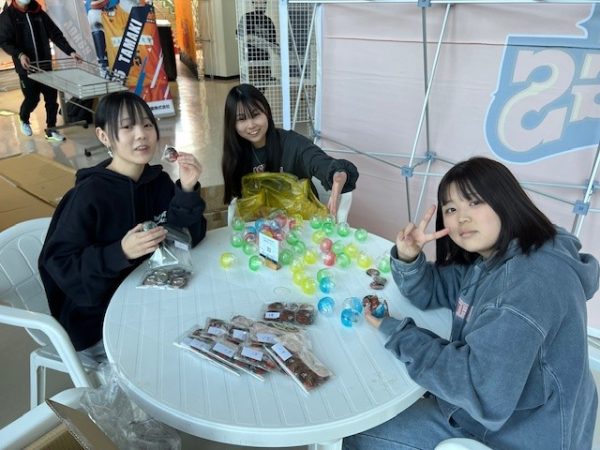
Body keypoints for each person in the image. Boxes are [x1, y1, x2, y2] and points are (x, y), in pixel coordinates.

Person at [343, 157, 599, 450]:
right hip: (528, 414)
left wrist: (399, 334)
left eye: (475, 202)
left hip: (517, 435)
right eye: (451, 209)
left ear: (506, 201)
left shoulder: (527, 284)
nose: (461, 218)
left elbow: (480, 389)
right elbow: (435, 290)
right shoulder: (499, 258)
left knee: (354, 435)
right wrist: (408, 258)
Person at [38, 91, 207, 363]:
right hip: (99, 322)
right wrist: (120, 252)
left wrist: (186, 190)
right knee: (171, 362)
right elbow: (59, 265)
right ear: (104, 136)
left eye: (147, 124)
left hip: (154, 300)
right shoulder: (88, 196)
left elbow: (187, 239)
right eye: (127, 127)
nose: (141, 135)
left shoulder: (158, 182)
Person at [222, 83, 359, 219]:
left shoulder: (292, 143)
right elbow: (240, 199)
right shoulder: (236, 154)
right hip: (261, 226)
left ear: (267, 112)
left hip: (303, 223)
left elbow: (318, 161)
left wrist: (337, 174)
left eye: (255, 115)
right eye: (241, 119)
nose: (251, 125)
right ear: (232, 124)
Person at [0, 0, 82, 141]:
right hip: (27, 69)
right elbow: (4, 41)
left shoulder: (37, 12)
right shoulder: (8, 16)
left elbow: (55, 34)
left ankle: (51, 130)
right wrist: (20, 55)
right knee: (32, 99)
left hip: (45, 66)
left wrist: (70, 51)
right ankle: (24, 118)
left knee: (51, 99)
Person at [237, 0, 278, 81]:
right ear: (253, 4)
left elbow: (272, 42)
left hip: (264, 59)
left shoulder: (268, 21)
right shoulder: (246, 18)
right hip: (250, 59)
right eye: (257, 2)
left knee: (264, 83)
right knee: (252, 84)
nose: (260, 5)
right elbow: (240, 35)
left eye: (263, 2)